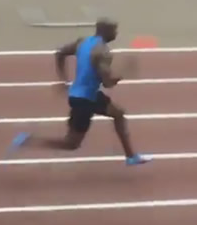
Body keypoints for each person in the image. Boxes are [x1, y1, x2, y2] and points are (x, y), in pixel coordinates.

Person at [8, 18, 150, 166]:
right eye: (114, 30)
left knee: (118, 113)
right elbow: (107, 83)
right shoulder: (103, 52)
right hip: (85, 100)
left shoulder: (83, 42)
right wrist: (124, 72)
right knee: (71, 144)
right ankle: (28, 141)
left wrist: (63, 79)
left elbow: (60, 53)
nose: (116, 33)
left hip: (83, 95)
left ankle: (131, 156)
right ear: (105, 31)